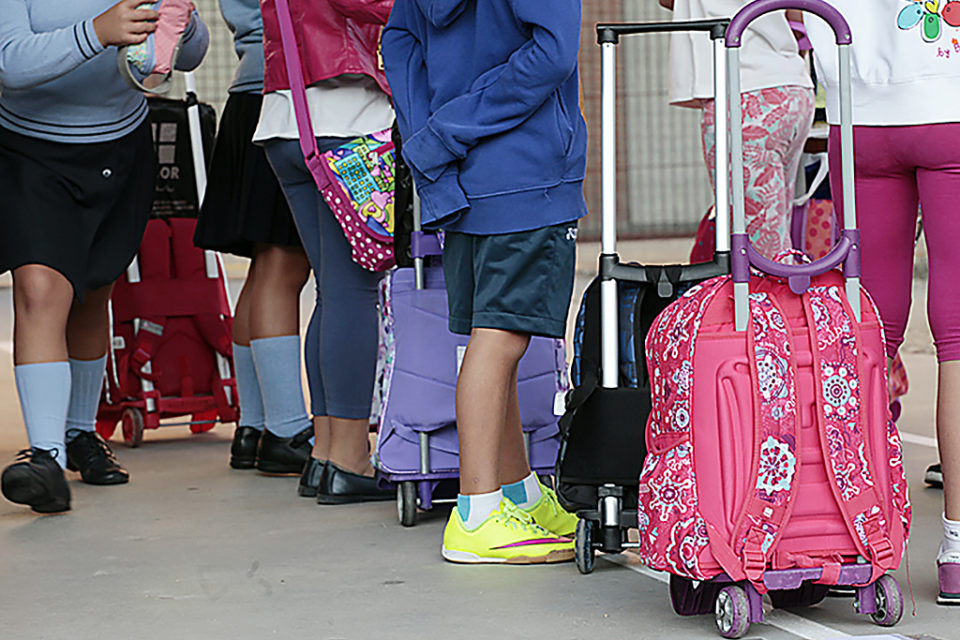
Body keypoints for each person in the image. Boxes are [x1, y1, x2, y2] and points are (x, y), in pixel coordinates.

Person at [383, 0, 584, 564]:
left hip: (465, 175)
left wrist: (435, 145)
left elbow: (399, 46)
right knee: (500, 340)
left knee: (496, 334)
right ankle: (476, 510)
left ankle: (516, 489)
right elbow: (552, 54)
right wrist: (452, 130)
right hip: (527, 170)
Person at [0, 0, 208, 513]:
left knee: (95, 292)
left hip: (120, 146)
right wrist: (97, 31)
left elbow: (191, 57)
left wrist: (182, 19)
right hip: (31, 150)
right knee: (43, 290)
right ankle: (44, 457)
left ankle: (78, 434)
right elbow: (10, 63)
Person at [807, 0, 960, 605]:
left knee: (866, 336)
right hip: (952, 99)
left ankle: (853, 536)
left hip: (858, 109)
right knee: (958, 338)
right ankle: (957, 548)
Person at [254, 0, 395, 503]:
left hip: (284, 111)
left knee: (333, 291)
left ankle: (326, 453)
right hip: (341, 111)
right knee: (353, 290)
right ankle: (351, 457)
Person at [193, 0, 315, 479]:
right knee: (285, 265)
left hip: (253, 87)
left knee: (268, 264)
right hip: (289, 87)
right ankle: (286, 431)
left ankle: (256, 426)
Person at [662, 0, 815, 258]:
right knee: (774, 232)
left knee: (759, 247)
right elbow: (798, 19)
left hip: (742, 90)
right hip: (789, 84)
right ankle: (779, 292)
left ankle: (768, 296)